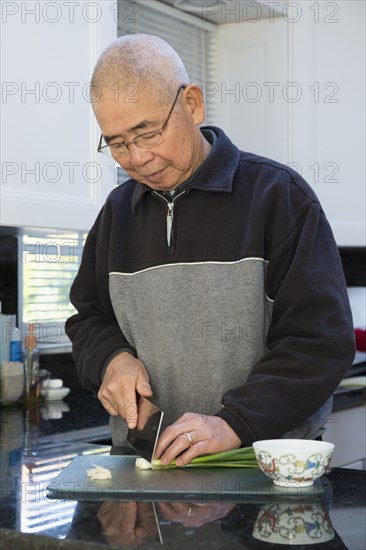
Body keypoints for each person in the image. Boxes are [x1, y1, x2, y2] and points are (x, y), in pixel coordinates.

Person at [65, 34, 355, 467]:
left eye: (147, 132)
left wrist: (233, 423)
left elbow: (319, 342)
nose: (137, 158)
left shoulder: (279, 197)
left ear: (193, 104)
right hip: (145, 470)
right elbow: (88, 319)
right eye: (118, 143)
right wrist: (111, 360)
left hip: (262, 469)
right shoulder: (117, 212)